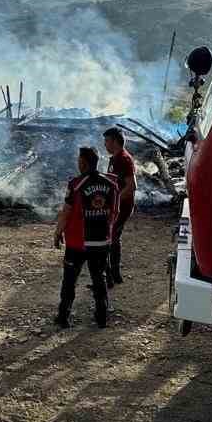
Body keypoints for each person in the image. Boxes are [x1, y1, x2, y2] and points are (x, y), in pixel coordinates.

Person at [52, 145, 119, 328]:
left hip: (77, 242)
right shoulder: (111, 183)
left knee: (69, 281)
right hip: (102, 240)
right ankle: (102, 317)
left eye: (79, 161)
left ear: (83, 163)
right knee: (100, 279)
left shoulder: (76, 184)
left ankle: (63, 318)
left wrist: (58, 232)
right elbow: (115, 211)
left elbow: (66, 212)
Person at [102, 125, 136, 287]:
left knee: (109, 238)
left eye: (107, 141)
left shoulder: (124, 159)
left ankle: (109, 275)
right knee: (112, 238)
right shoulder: (115, 159)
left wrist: (115, 201)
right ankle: (112, 275)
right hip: (116, 206)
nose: (105, 145)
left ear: (115, 141)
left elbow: (131, 187)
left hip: (121, 207)